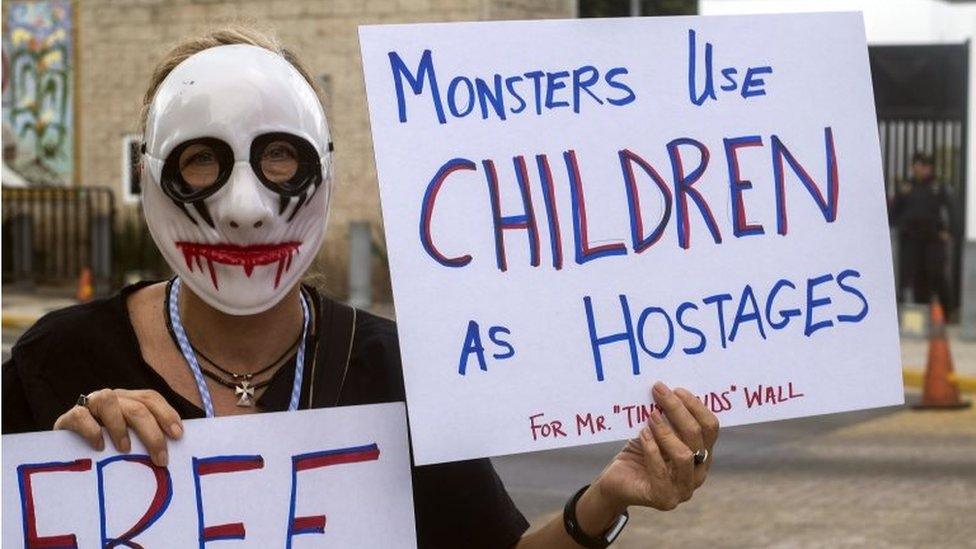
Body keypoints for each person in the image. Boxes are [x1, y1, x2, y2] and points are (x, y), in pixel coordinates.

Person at [1, 26, 719, 548]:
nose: (247, 207)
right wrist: (50, 470)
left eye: (281, 156)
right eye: (200, 161)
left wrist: (604, 500)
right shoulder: (58, 362)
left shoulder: (393, 369)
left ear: (323, 169)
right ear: (154, 174)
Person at [891, 152, 953, 311]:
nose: (920, 170)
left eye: (924, 166)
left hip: (933, 239)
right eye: (917, 166)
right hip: (912, 240)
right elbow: (894, 211)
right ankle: (921, 312)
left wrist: (948, 231)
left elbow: (950, 209)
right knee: (916, 276)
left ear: (929, 168)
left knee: (936, 274)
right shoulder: (907, 187)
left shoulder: (937, 186)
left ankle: (946, 311)